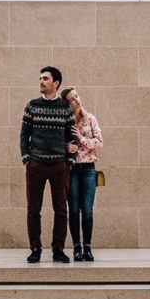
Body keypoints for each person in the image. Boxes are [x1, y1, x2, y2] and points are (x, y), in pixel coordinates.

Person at [19, 66, 75, 263]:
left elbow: (72, 136)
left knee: (61, 209)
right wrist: (27, 159)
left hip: (59, 166)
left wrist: (69, 161)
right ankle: (35, 249)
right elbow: (24, 135)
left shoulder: (65, 108)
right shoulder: (32, 106)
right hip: (36, 166)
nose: (41, 82)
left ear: (56, 83)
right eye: (40, 78)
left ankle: (58, 250)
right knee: (34, 209)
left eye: (45, 78)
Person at [61, 87, 102, 262]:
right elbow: (58, 144)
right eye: (72, 99)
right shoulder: (64, 122)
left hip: (88, 170)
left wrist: (82, 138)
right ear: (67, 104)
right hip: (71, 170)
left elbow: (99, 143)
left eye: (76, 96)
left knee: (87, 210)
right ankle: (76, 248)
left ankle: (88, 247)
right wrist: (65, 148)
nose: (76, 100)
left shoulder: (90, 118)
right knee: (74, 210)